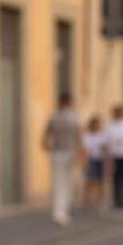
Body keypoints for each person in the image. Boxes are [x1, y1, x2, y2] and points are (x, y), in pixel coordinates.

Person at [42, 93, 80, 227]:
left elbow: (46, 137)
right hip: (68, 152)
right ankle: (62, 212)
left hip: (57, 152)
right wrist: (80, 154)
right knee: (66, 183)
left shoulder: (54, 117)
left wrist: (47, 147)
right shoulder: (73, 117)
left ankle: (59, 212)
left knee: (59, 183)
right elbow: (78, 136)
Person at [81, 116, 107, 212]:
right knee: (90, 180)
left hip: (99, 159)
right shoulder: (87, 135)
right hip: (91, 159)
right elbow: (84, 148)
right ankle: (88, 201)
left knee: (100, 181)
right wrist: (84, 160)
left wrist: (106, 160)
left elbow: (104, 148)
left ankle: (100, 200)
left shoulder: (101, 135)